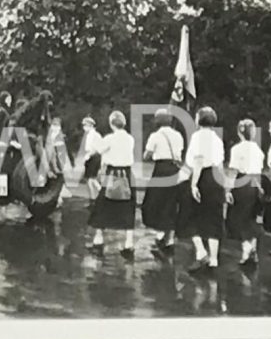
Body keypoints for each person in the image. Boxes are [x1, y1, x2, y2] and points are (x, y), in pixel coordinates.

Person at [182, 105, 229, 274]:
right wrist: (226, 187)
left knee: (192, 216)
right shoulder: (217, 139)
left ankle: (201, 252)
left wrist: (194, 184)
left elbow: (199, 161)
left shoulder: (197, 137)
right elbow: (220, 165)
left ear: (199, 120)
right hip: (216, 179)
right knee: (214, 217)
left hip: (203, 177)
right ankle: (214, 260)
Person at [88, 110, 137, 256]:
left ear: (111, 124)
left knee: (102, 205)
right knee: (128, 207)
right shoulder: (130, 138)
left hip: (113, 173)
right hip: (127, 173)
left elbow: (99, 149)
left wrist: (94, 140)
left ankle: (98, 240)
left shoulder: (109, 138)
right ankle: (129, 243)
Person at [140, 109, 187, 256]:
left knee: (156, 201)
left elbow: (146, 155)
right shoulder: (178, 135)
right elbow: (179, 153)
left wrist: (148, 154)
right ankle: (170, 240)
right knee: (171, 203)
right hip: (175, 169)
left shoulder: (155, 136)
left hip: (161, 169)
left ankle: (160, 235)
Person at [226, 118, 266, 268]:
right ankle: (252, 249)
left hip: (242, 183)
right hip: (255, 184)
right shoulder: (258, 150)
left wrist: (228, 190)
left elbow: (233, 171)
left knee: (240, 218)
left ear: (239, 132)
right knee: (251, 218)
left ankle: (246, 251)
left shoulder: (237, 149)